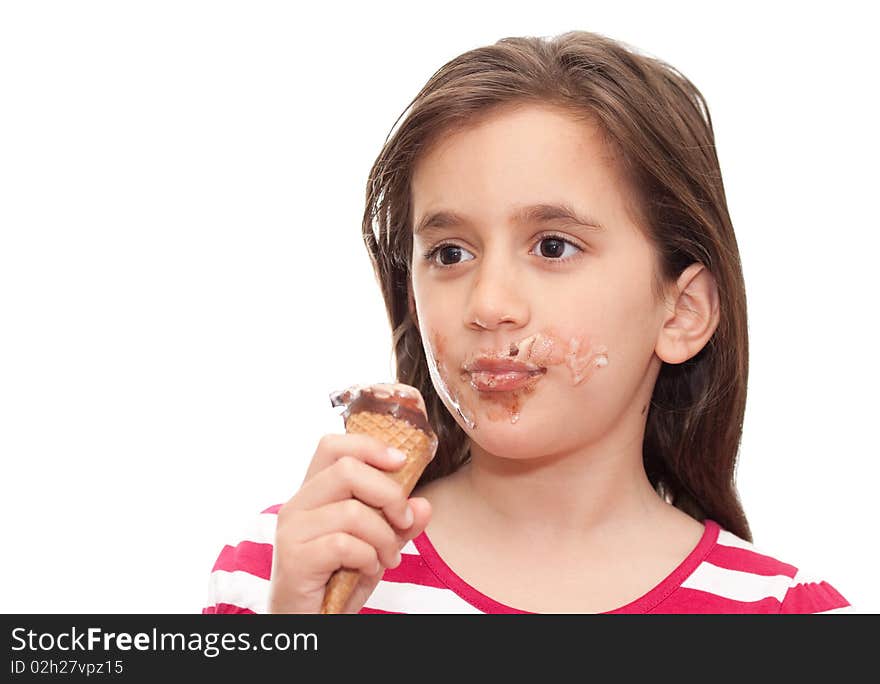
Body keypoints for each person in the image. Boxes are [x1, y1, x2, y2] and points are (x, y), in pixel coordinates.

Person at [203, 30, 851, 614]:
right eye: (450, 254)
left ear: (681, 312)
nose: (488, 304)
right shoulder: (279, 570)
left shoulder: (785, 612)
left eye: (553, 246)